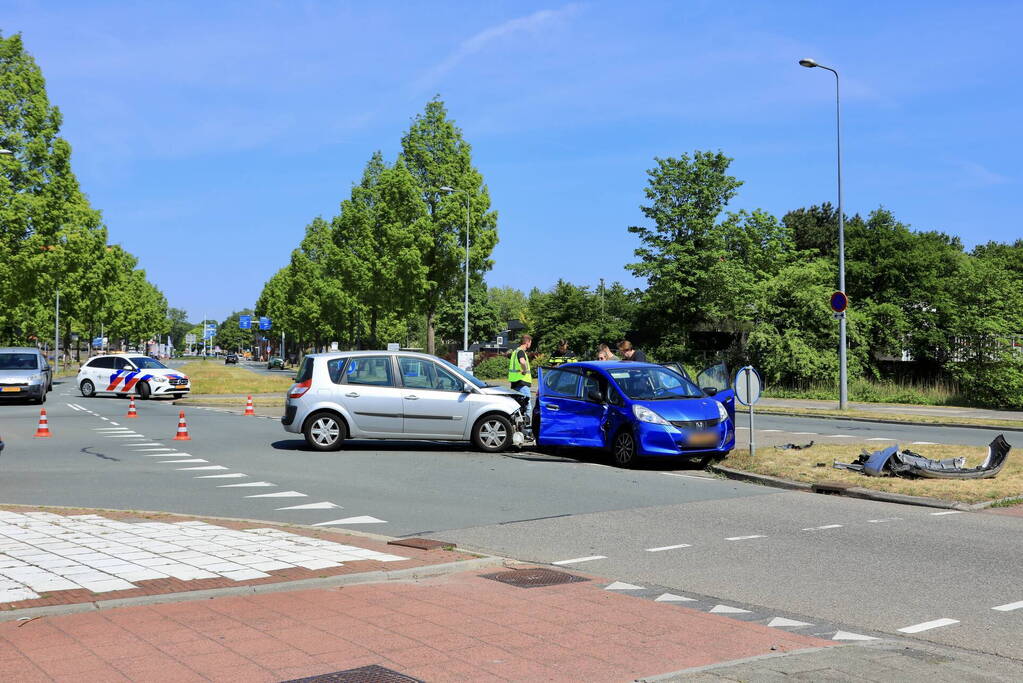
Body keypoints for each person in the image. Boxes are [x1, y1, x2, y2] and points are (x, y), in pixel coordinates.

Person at [508, 334, 533, 408]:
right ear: (527, 342)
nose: (530, 345)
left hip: (515, 383)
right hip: (522, 383)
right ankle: (527, 420)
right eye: (530, 343)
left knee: (518, 407)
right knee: (527, 407)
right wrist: (525, 370)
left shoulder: (515, 352)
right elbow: (522, 361)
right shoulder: (521, 352)